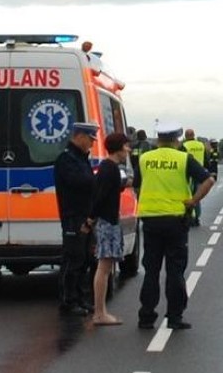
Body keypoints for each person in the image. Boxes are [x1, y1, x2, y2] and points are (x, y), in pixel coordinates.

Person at [134, 121, 214, 330]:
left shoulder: (145, 158)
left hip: (150, 219)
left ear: (158, 139)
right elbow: (208, 181)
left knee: (151, 270)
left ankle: (146, 316)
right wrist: (194, 201)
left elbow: (137, 185)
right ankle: (174, 317)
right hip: (176, 220)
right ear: (177, 139)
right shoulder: (183, 158)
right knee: (175, 270)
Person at [54, 121, 99, 317]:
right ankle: (68, 301)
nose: (92, 143)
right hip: (73, 216)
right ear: (79, 136)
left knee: (85, 259)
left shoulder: (80, 158)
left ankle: (80, 298)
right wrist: (98, 181)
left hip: (84, 215)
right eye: (90, 139)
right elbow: (78, 182)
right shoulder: (67, 159)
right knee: (73, 259)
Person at [89, 132, 132, 326]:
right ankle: (100, 312)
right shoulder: (110, 169)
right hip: (107, 221)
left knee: (106, 266)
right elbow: (101, 196)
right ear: (119, 147)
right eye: (126, 146)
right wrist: (90, 219)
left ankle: (101, 311)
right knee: (104, 267)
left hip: (107, 220)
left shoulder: (108, 168)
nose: (128, 150)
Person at [180, 129, 208, 226]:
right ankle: (197, 217)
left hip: (188, 173)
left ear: (186, 136)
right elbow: (206, 159)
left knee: (189, 195)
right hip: (200, 174)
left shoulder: (184, 146)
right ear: (194, 135)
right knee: (197, 196)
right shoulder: (201, 145)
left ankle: (190, 217)